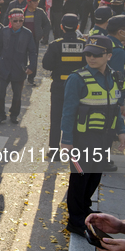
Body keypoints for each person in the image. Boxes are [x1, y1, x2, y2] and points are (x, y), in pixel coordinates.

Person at [61, 35, 125, 237]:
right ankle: (75, 220)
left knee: (94, 176)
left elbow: (116, 108)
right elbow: (68, 111)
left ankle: (84, 210)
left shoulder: (116, 77)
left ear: (109, 55)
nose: (91, 58)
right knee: (80, 178)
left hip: (104, 138)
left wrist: (121, 131)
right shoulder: (77, 78)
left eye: (97, 55)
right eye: (88, 54)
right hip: (82, 139)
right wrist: (66, 141)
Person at [42, 14, 86, 150]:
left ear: (62, 27)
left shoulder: (55, 45)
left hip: (59, 87)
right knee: (76, 118)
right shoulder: (85, 45)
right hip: (79, 87)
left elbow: (46, 65)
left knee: (56, 119)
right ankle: (74, 147)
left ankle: (54, 150)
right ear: (77, 27)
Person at [0, 9, 37, 124]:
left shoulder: (27, 33)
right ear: (10, 20)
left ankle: (14, 114)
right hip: (4, 68)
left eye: (20, 21)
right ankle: (0, 114)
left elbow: (32, 51)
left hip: (19, 69)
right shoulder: (4, 31)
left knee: (17, 95)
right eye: (15, 21)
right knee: (0, 93)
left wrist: (31, 66)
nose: (18, 23)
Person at [22, 0, 51, 85]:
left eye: (37, 1)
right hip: (22, 40)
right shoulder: (23, 11)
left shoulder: (40, 12)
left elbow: (47, 24)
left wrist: (43, 34)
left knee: (33, 58)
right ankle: (21, 76)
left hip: (34, 39)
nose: (36, 3)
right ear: (29, 2)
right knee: (21, 58)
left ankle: (31, 78)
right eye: (34, 2)